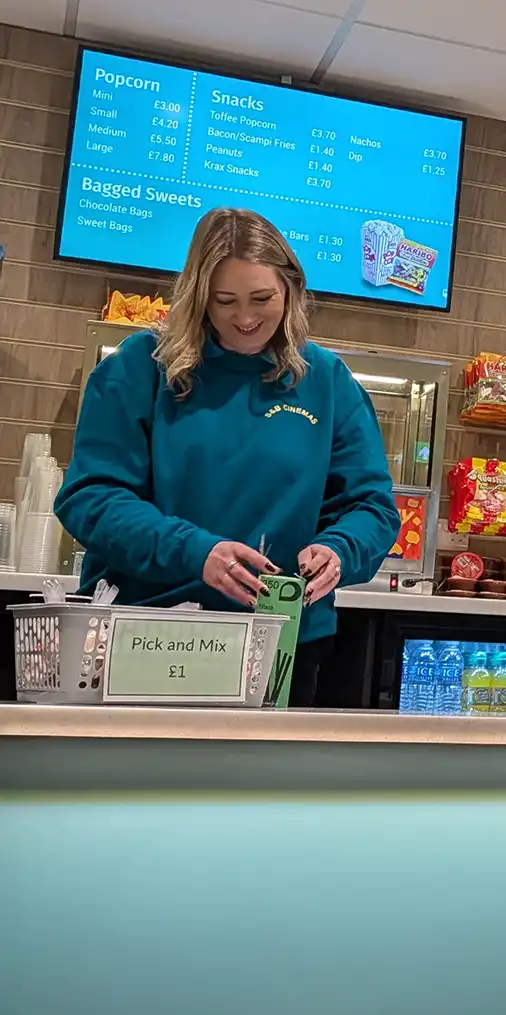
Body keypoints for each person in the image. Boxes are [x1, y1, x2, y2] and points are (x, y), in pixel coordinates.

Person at [56, 208, 398, 707]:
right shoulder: (140, 369)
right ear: (198, 296)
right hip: (146, 630)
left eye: (262, 299)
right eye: (224, 301)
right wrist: (196, 552)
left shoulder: (325, 381)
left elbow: (370, 505)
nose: (245, 318)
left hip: (282, 642)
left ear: (291, 289)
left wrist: (340, 549)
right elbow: (91, 497)